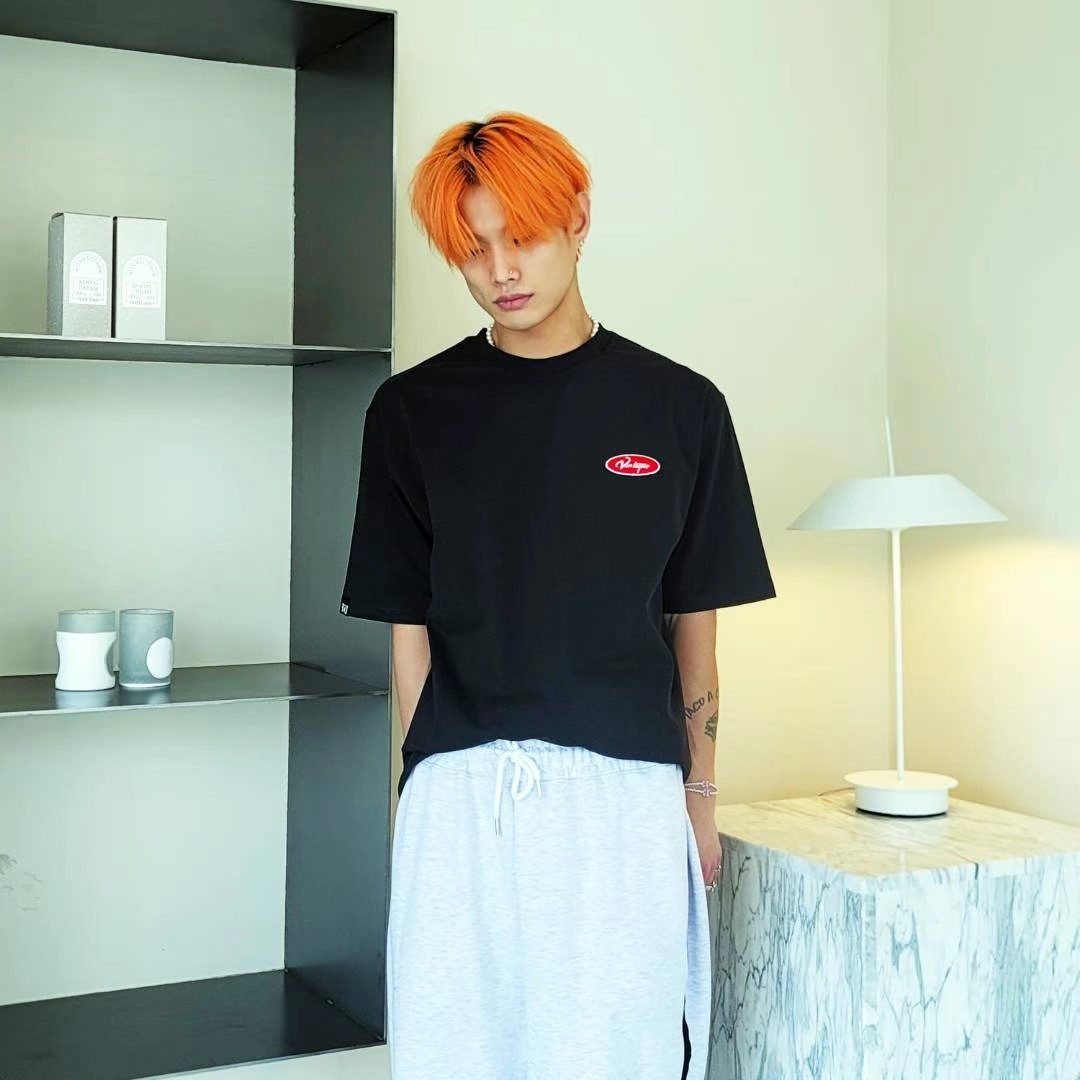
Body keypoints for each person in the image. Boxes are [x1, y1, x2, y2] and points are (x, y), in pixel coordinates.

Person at [339, 111, 776, 1080]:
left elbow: (693, 628)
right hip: (463, 796)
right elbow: (409, 635)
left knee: (618, 1055)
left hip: (625, 796)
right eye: (473, 248)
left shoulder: (681, 408)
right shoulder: (411, 413)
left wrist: (700, 797)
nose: (502, 269)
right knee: (453, 1058)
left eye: (523, 236)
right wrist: (421, 795)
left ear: (577, 218)